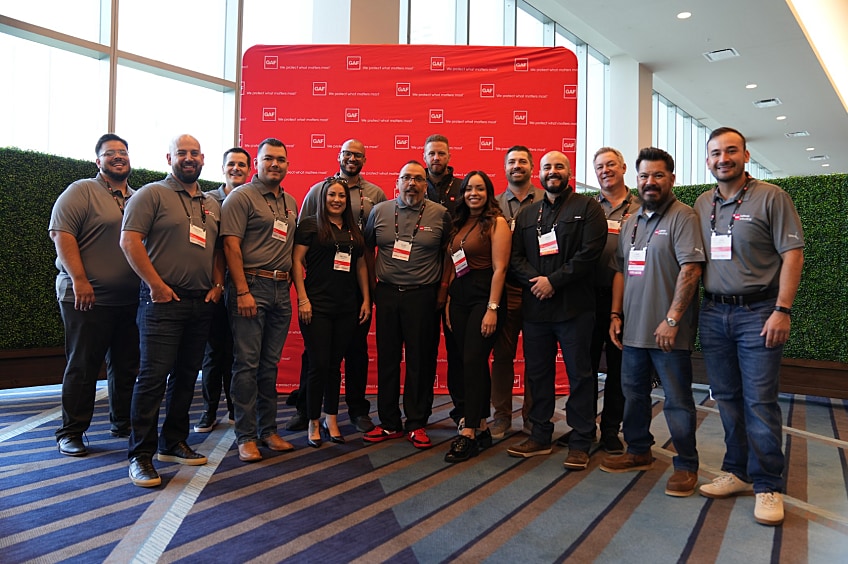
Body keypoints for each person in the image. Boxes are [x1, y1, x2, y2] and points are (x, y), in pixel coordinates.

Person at [695, 127, 804, 526]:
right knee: (726, 397)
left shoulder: (772, 197)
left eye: (730, 151)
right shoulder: (703, 202)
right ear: (707, 160)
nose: (722, 158)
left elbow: (792, 255)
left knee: (760, 401)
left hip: (759, 312)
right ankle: (737, 471)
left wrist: (783, 309)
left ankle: (767, 484)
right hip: (713, 313)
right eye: (715, 153)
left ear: (745, 155)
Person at [120, 134, 225, 487]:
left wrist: (217, 284)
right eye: (182, 153)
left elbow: (217, 250)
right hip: (162, 301)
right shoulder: (151, 194)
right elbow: (129, 240)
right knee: (152, 379)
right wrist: (156, 285)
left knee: (185, 377)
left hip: (200, 302)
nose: (189, 158)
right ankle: (140, 456)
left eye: (195, 152)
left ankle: (173, 442)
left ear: (203, 158)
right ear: (170, 158)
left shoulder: (212, 203)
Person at [600, 147, 704, 498]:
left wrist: (673, 319)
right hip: (633, 331)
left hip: (667, 333)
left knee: (676, 400)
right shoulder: (630, 223)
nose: (650, 182)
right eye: (644, 176)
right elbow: (621, 273)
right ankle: (638, 450)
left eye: (658, 175)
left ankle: (687, 465)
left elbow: (691, 269)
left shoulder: (683, 217)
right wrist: (616, 315)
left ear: (671, 179)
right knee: (634, 395)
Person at [507, 151, 607, 471]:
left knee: (580, 375)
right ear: (540, 172)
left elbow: (589, 254)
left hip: (575, 308)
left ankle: (580, 439)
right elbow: (515, 257)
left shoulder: (588, 207)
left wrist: (553, 281)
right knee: (538, 375)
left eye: (559, 166)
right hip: (536, 309)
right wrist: (537, 282)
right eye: (548, 167)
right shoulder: (527, 213)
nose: (553, 172)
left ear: (569, 172)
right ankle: (539, 435)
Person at [288, 139, 387, 434]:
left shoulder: (375, 194)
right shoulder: (318, 190)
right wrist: (316, 278)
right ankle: (307, 410)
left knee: (355, 352)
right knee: (315, 355)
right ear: (339, 156)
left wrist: (366, 292)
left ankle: (357, 411)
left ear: (365, 159)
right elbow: (304, 240)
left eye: (358, 154)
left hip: (354, 288)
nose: (352, 158)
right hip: (321, 289)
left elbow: (369, 244)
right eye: (347, 153)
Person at [49, 133, 140, 456]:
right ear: (97, 161)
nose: (118, 157)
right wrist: (80, 280)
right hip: (86, 297)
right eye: (110, 153)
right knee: (83, 366)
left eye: (123, 152)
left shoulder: (137, 197)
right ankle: (71, 432)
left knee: (127, 366)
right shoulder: (81, 191)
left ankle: (123, 422)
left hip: (129, 300)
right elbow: (62, 234)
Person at [363, 161, 451, 449]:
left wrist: (442, 290)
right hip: (387, 294)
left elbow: (448, 255)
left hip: (422, 296)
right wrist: (373, 288)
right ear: (397, 182)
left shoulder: (440, 214)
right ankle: (389, 423)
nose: (411, 184)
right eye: (405, 178)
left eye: (418, 179)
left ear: (426, 184)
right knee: (387, 359)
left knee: (420, 361)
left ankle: (416, 422)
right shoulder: (380, 211)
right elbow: (367, 249)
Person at [222, 138, 298, 462]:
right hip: (250, 286)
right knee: (247, 365)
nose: (275, 164)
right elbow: (230, 246)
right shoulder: (241, 197)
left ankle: (268, 431)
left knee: (269, 366)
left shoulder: (290, 201)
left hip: (282, 290)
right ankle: (246, 436)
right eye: (269, 159)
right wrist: (241, 291)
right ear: (257, 162)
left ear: (287, 165)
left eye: (281, 159)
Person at [292, 177, 371, 447]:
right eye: (332, 195)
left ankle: (331, 417)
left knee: (335, 366)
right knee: (318, 365)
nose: (337, 200)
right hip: (316, 307)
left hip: (347, 306)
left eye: (341, 196)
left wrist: (366, 300)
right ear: (323, 198)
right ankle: (313, 420)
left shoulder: (352, 228)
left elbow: (361, 265)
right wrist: (303, 299)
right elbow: (296, 261)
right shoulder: (310, 225)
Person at [442, 171, 510, 462]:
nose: (473, 193)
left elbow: (500, 269)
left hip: (485, 299)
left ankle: (468, 430)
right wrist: (446, 299)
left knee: (472, 359)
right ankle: (481, 423)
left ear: (488, 192)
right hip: (459, 300)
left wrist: (492, 308)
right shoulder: (460, 222)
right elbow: (453, 263)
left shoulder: (497, 222)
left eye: (479, 189)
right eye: (469, 188)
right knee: (464, 362)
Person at [194, 147, 251, 433]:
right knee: (213, 353)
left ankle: (233, 407)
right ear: (223, 168)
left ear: (249, 169)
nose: (236, 168)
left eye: (242, 164)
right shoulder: (206, 202)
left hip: (245, 288)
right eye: (232, 164)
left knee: (237, 351)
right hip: (213, 288)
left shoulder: (255, 201)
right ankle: (208, 411)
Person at [589, 147, 641, 454]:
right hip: (587, 298)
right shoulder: (586, 206)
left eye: (611, 165)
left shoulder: (640, 206)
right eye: (599, 167)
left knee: (620, 368)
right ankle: (583, 427)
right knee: (585, 366)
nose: (605, 170)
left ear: (623, 168)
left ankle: (610, 429)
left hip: (628, 298)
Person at [491, 146, 544, 439]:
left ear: (532, 167)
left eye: (522, 161)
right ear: (505, 168)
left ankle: (532, 417)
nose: (517, 166)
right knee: (502, 357)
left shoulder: (547, 201)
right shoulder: (495, 205)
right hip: (506, 288)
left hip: (538, 288)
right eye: (511, 161)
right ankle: (501, 416)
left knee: (536, 356)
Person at [423, 134, 464, 429]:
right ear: (424, 157)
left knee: (458, 351)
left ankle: (462, 410)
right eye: (431, 154)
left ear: (449, 156)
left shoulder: (463, 187)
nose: (436, 158)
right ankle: (419, 412)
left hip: (458, 281)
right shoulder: (413, 182)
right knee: (423, 351)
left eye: (441, 153)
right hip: (421, 281)